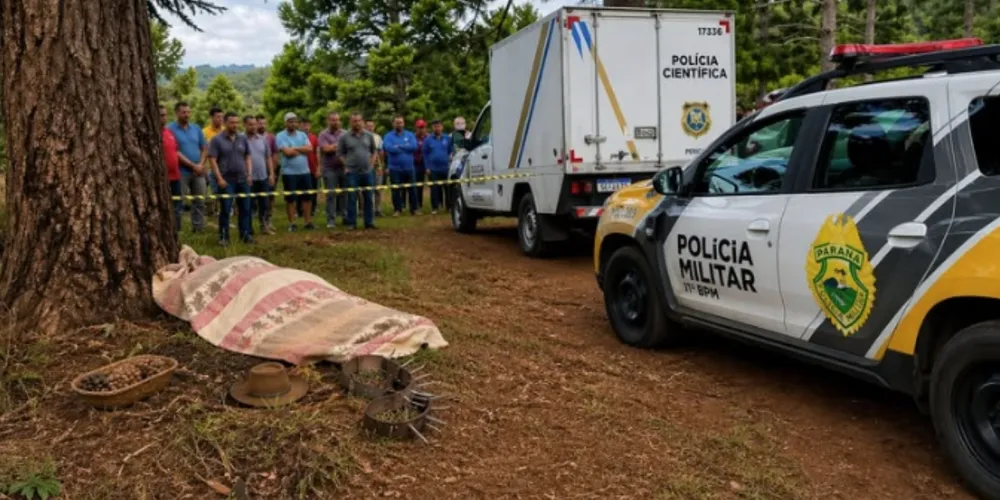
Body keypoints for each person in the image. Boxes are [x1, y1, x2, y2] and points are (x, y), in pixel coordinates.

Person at [208, 112, 253, 245]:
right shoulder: (217, 140)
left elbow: (248, 156)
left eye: (237, 122)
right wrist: (219, 178)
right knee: (226, 209)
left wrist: (249, 174)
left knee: (245, 208)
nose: (235, 125)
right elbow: (212, 160)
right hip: (226, 180)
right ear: (225, 123)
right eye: (232, 122)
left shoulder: (242, 138)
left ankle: (245, 235)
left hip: (242, 179)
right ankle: (223, 237)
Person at [168, 101, 208, 233]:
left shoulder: (196, 129)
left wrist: (200, 165)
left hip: (198, 171)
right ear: (177, 113)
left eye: (188, 112)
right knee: (179, 202)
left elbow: (204, 148)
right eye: (183, 112)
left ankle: (198, 228)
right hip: (181, 171)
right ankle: (177, 230)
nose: (187, 114)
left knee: (199, 200)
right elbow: (175, 151)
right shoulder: (170, 129)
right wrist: (192, 166)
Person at [275, 112, 316, 231]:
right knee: (290, 199)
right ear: (285, 123)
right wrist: (301, 149)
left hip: (304, 171)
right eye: (290, 121)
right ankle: (292, 223)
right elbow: (287, 153)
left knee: (307, 197)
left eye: (295, 121)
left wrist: (294, 149)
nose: (293, 124)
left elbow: (310, 148)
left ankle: (308, 221)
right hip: (289, 173)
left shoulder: (302, 134)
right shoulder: (280, 136)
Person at [338, 112, 378, 230]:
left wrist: (371, 164)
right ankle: (352, 223)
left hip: (367, 172)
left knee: (369, 198)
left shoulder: (369, 135)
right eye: (354, 121)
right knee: (352, 198)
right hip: (352, 173)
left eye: (359, 120)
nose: (357, 123)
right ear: (350, 122)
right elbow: (340, 153)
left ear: (362, 121)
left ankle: (369, 222)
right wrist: (346, 166)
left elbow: (374, 151)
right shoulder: (344, 137)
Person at [382, 115, 419, 217]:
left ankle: (414, 209)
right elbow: (388, 148)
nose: (399, 124)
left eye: (401, 122)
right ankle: (397, 209)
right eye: (397, 122)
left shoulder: (410, 135)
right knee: (396, 190)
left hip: (409, 167)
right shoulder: (388, 136)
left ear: (404, 123)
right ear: (393, 124)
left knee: (412, 189)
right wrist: (405, 147)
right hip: (394, 168)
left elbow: (414, 147)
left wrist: (399, 146)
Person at [245, 115, 276, 235]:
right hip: (248, 178)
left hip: (262, 176)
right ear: (245, 125)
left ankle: (264, 226)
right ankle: (248, 228)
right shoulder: (241, 139)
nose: (254, 127)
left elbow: (268, 157)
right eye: (251, 124)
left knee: (264, 203)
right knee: (248, 204)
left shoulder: (263, 139)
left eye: (255, 124)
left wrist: (271, 174)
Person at [318, 112, 347, 229]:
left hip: (344, 168)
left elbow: (348, 149)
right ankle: (331, 220)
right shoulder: (323, 134)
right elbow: (325, 149)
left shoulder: (345, 133)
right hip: (329, 169)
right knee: (331, 194)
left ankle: (345, 216)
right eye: (333, 120)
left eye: (337, 120)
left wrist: (333, 146)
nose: (335, 122)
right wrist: (338, 146)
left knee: (345, 193)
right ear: (328, 121)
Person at [422, 120, 452, 215]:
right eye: (435, 126)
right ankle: (435, 207)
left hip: (446, 168)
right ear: (432, 128)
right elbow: (425, 154)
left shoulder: (447, 138)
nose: (437, 128)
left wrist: (451, 156)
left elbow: (452, 150)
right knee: (434, 189)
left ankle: (449, 207)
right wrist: (427, 167)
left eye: (439, 126)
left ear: (442, 127)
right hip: (433, 169)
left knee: (447, 188)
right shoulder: (428, 139)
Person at [160, 105, 182, 232]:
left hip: (176, 176)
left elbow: (176, 151)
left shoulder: (169, 132)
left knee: (177, 206)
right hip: (163, 177)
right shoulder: (152, 134)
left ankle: (177, 230)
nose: (164, 118)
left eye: (165, 115)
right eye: (161, 115)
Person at [256, 114, 278, 232]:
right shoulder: (248, 137)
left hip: (268, 172)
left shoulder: (270, 137)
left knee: (269, 198)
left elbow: (274, 154)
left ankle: (267, 221)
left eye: (264, 123)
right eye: (260, 123)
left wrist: (272, 171)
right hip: (254, 173)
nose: (262, 125)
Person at [203, 107, 225, 216]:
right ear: (212, 117)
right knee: (211, 190)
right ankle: (211, 210)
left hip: (224, 167)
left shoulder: (225, 131)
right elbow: (202, 150)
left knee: (223, 189)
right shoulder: (205, 132)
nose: (220, 119)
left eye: (222, 117)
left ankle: (223, 209)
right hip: (208, 167)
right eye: (218, 117)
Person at [300, 118, 320, 218]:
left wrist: (318, 168)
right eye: (304, 125)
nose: (306, 127)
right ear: (300, 126)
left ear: (310, 126)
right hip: (301, 169)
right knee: (300, 190)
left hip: (312, 168)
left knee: (313, 190)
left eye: (307, 125)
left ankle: (313, 209)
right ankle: (300, 211)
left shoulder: (314, 138)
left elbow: (317, 153)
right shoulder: (298, 137)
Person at [365, 120, 385, 216]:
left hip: (377, 166)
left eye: (371, 126)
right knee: (366, 189)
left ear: (374, 127)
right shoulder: (362, 137)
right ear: (365, 126)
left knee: (378, 188)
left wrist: (380, 166)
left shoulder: (378, 138)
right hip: (364, 167)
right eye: (368, 126)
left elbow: (381, 152)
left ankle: (378, 209)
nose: (370, 128)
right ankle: (366, 209)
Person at [413, 119, 428, 210]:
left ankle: (420, 204)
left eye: (423, 127)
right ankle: (415, 204)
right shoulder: (412, 137)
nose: (421, 129)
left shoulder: (428, 138)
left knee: (421, 185)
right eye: (420, 128)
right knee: (415, 185)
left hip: (425, 164)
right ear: (416, 128)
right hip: (415, 164)